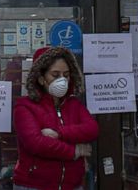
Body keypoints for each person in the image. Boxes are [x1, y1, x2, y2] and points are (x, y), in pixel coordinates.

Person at [13, 46, 99, 190]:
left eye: (66, 75)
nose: (62, 80)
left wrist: (59, 133)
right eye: (55, 75)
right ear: (41, 78)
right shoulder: (24, 107)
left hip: (72, 185)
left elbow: (92, 129)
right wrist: (75, 151)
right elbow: (36, 144)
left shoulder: (74, 104)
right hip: (33, 185)